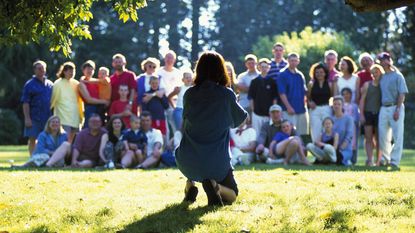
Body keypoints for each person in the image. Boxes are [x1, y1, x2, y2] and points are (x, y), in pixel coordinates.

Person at [175, 51, 247, 206]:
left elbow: (187, 119)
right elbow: (239, 120)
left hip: (187, 160)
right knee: (233, 195)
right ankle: (215, 186)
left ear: (198, 69)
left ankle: (190, 186)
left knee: (194, 145)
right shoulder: (226, 95)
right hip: (216, 162)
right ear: (221, 69)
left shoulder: (189, 94)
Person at [377, 52, 408, 169]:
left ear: (389, 60)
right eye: (381, 60)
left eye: (386, 59)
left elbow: (402, 94)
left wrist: (398, 109)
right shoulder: (382, 77)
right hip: (383, 108)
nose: (384, 61)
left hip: (396, 106)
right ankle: (386, 159)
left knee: (398, 135)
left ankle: (395, 161)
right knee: (383, 136)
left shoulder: (398, 76)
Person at [21, 60, 53, 155]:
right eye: (39, 68)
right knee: (32, 139)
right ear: (34, 70)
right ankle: (33, 159)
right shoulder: (29, 84)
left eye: (43, 68)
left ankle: (45, 160)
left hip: (48, 118)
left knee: (47, 139)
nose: (42, 70)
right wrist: (27, 118)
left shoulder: (50, 84)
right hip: (34, 117)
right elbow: (25, 102)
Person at [50, 61, 83, 143]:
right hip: (63, 116)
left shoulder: (76, 83)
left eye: (73, 71)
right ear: (64, 71)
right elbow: (53, 99)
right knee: (64, 139)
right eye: (69, 71)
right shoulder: (57, 83)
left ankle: (72, 156)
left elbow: (80, 100)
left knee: (75, 140)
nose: (71, 73)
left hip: (75, 116)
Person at [278, 52, 309, 136]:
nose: (293, 62)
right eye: (292, 60)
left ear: (298, 61)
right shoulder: (282, 74)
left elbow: (304, 92)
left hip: (301, 109)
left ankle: (303, 149)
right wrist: (288, 107)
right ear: (288, 61)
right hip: (288, 110)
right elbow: (282, 93)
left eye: (295, 60)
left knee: (303, 133)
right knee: (290, 134)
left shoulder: (300, 75)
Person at [359, 64, 383, 166]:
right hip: (368, 113)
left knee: (378, 139)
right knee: (368, 138)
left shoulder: (383, 84)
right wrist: (361, 114)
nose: (374, 74)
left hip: (380, 114)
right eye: (372, 72)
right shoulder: (367, 85)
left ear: (380, 72)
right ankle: (370, 160)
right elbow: (362, 101)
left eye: (376, 72)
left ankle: (378, 161)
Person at [248, 58, 278, 134]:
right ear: (259, 67)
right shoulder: (254, 81)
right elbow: (251, 97)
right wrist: (253, 110)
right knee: (256, 133)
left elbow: (275, 97)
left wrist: (273, 110)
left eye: (265, 67)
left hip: (268, 113)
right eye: (262, 66)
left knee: (268, 133)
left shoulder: (272, 81)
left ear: (268, 68)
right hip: (257, 113)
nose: (264, 68)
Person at [307, 62, 336, 142]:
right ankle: (316, 151)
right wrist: (310, 102)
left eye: (321, 72)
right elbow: (308, 98)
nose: (319, 74)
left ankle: (326, 150)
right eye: (317, 72)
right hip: (314, 110)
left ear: (325, 73)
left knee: (327, 130)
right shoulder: (311, 84)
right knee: (315, 131)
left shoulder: (330, 84)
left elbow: (333, 97)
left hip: (326, 108)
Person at [157, 50, 183, 134]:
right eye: (167, 57)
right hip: (161, 102)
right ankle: (166, 145)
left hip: (174, 103)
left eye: (171, 58)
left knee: (176, 127)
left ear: (174, 60)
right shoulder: (158, 72)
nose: (169, 60)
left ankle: (177, 145)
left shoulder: (178, 73)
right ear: (164, 59)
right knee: (164, 127)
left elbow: (179, 89)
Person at [79, 60, 110, 127]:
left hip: (100, 108)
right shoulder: (82, 83)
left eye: (91, 69)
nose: (89, 71)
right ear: (83, 70)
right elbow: (89, 100)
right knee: (89, 127)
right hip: (90, 107)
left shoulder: (97, 81)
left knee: (101, 127)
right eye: (87, 69)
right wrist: (104, 101)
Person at [332, 96, 354, 166]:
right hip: (332, 150)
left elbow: (349, 136)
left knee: (338, 158)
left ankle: (344, 160)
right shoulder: (331, 119)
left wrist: (340, 149)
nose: (336, 106)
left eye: (339, 104)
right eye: (335, 104)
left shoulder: (349, 119)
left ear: (342, 106)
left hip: (345, 150)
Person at [341, 87, 360, 164]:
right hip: (343, 127)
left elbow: (356, 118)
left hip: (352, 127)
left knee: (353, 143)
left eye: (347, 94)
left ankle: (353, 159)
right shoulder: (341, 105)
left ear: (351, 95)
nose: (346, 96)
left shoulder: (354, 106)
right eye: (344, 94)